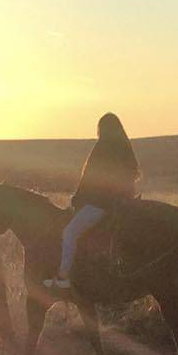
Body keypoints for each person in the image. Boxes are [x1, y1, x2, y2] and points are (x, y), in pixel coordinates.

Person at [46, 112, 141, 291]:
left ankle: (63, 277)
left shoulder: (102, 148)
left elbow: (89, 178)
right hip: (122, 204)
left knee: (69, 232)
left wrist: (77, 198)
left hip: (100, 204)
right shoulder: (125, 148)